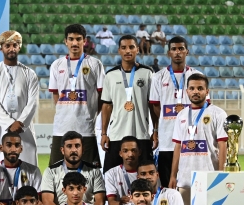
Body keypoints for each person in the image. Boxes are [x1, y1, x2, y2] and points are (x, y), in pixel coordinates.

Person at [170, 73, 227, 205]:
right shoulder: (181, 115)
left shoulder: (218, 114)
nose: (196, 91)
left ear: (207, 91)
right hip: (185, 179)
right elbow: (177, 147)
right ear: (187, 91)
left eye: (200, 88)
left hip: (208, 176)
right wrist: (173, 175)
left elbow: (222, 146)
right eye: (192, 88)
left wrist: (220, 175)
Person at [48, 24, 104, 166]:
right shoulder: (56, 65)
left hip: (86, 129)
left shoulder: (95, 64)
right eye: (71, 39)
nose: (74, 43)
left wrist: (91, 114)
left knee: (89, 172)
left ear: (84, 41)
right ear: (65, 41)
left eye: (78, 39)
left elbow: (102, 95)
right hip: (61, 127)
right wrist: (65, 109)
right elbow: (56, 95)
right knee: (56, 171)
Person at [0, 31, 39, 167]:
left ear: (19, 47)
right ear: (1, 47)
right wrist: (9, 124)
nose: (11, 49)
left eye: (14, 45)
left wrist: (20, 122)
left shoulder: (29, 74)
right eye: (7, 45)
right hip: (0, 127)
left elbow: (33, 102)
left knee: (27, 166)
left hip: (23, 129)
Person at [150, 36, 200, 188]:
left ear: (187, 52)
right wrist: (161, 126)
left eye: (181, 49)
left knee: (189, 185)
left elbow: (203, 107)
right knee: (167, 185)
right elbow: (155, 106)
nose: (177, 52)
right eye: (174, 49)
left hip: (190, 140)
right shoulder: (158, 77)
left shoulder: (197, 76)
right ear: (168, 53)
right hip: (167, 141)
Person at [101, 34, 154, 170]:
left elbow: (153, 105)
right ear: (119, 50)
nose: (128, 51)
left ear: (137, 49)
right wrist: (104, 133)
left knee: (145, 176)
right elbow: (107, 105)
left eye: (131, 47)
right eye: (124, 47)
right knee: (110, 174)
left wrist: (156, 130)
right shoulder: (110, 75)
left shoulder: (147, 73)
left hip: (141, 134)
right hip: (117, 135)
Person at [39, 131, 106, 205]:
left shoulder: (94, 171)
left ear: (83, 149)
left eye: (77, 146)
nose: (74, 150)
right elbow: (47, 201)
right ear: (62, 150)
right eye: (69, 146)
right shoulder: (50, 171)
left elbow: (100, 200)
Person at [0, 132, 41, 205]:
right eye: (9, 145)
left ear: (21, 149)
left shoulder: (33, 171)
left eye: (17, 145)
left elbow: (38, 200)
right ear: (1, 148)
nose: (13, 149)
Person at [104, 136, 143, 205]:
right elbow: (111, 204)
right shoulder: (111, 174)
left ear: (139, 152)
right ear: (120, 153)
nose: (130, 154)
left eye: (133, 150)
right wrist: (120, 202)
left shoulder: (147, 172)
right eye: (125, 151)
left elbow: (154, 199)